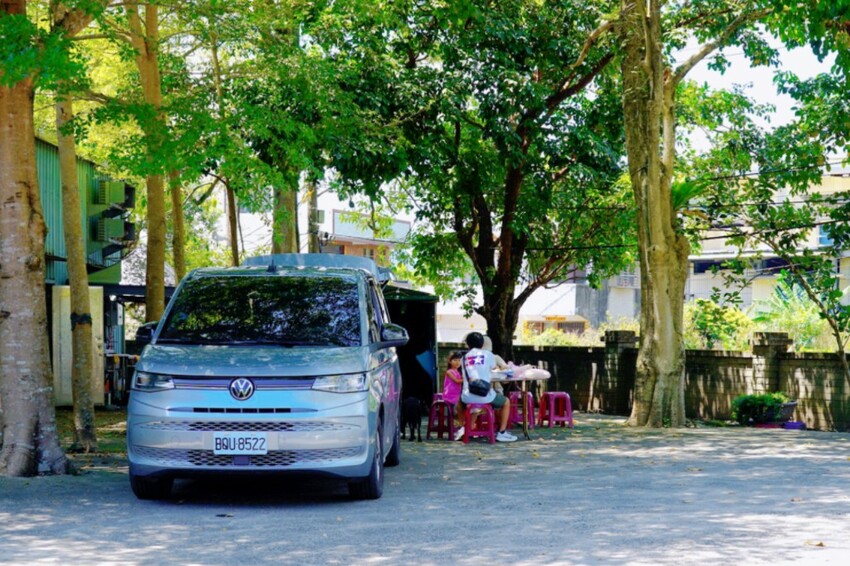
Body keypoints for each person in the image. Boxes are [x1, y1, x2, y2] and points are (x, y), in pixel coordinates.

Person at [460, 332, 517, 443]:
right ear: (482, 344)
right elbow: (493, 368)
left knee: (475, 406)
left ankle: (468, 430)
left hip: (466, 397)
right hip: (484, 395)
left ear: (468, 344)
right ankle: (502, 432)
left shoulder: (463, 358)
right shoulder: (488, 355)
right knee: (506, 401)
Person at [442, 351, 466, 441]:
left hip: (457, 396)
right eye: (455, 360)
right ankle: (459, 427)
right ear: (449, 361)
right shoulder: (449, 372)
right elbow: (457, 381)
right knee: (459, 408)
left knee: (463, 407)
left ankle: (461, 427)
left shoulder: (459, 372)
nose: (457, 362)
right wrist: (467, 379)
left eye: (459, 360)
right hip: (450, 396)